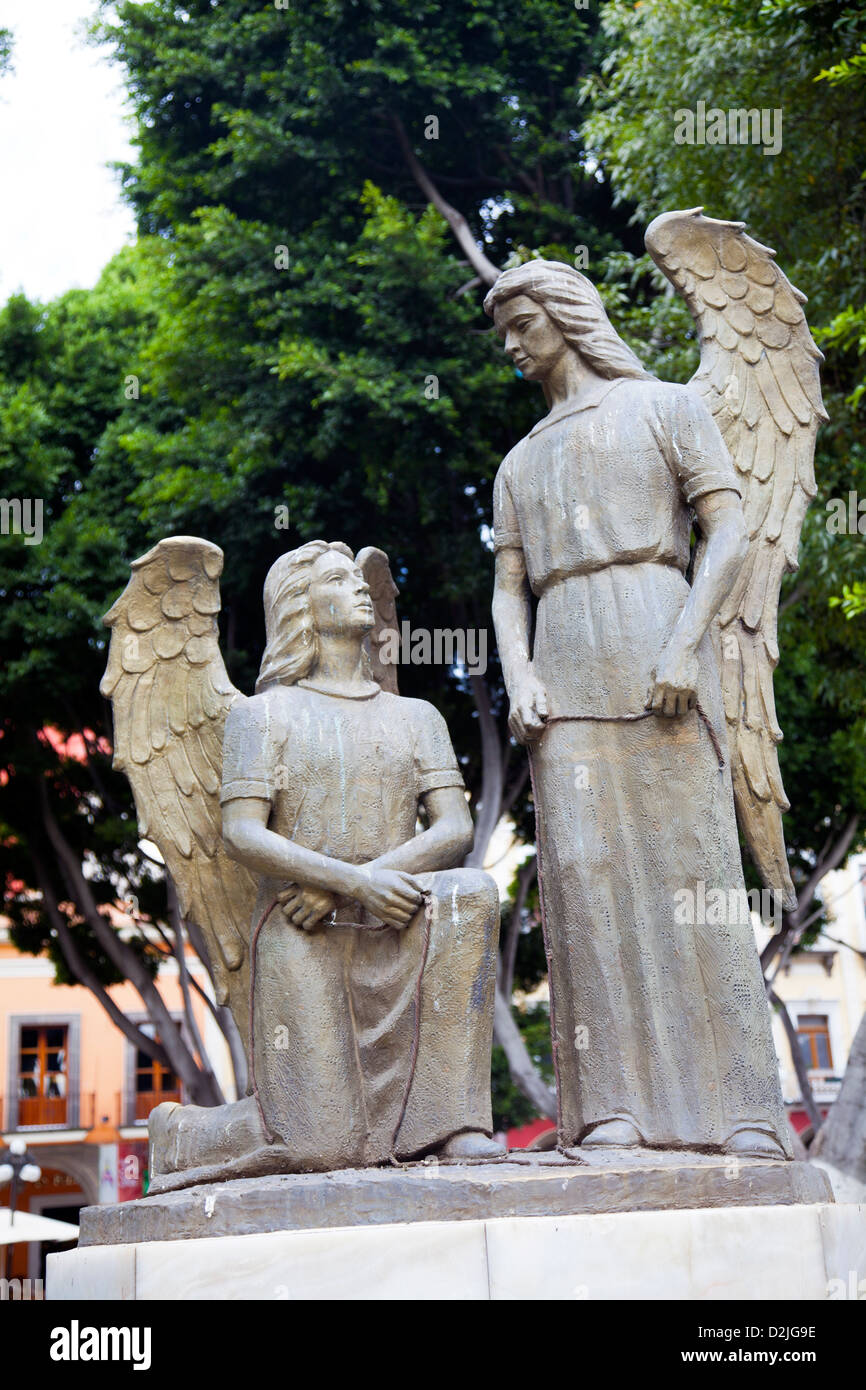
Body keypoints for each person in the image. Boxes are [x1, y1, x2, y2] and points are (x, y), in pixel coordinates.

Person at [486, 260, 792, 1159]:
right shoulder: (520, 460)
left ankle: (743, 1112)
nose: (512, 345)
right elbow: (510, 589)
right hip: (565, 669)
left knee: (692, 878)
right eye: (502, 331)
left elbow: (729, 528)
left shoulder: (664, 408)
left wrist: (684, 645)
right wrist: (521, 675)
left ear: (569, 317)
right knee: (586, 895)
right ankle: (611, 1108)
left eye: (523, 324)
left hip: (660, 640)